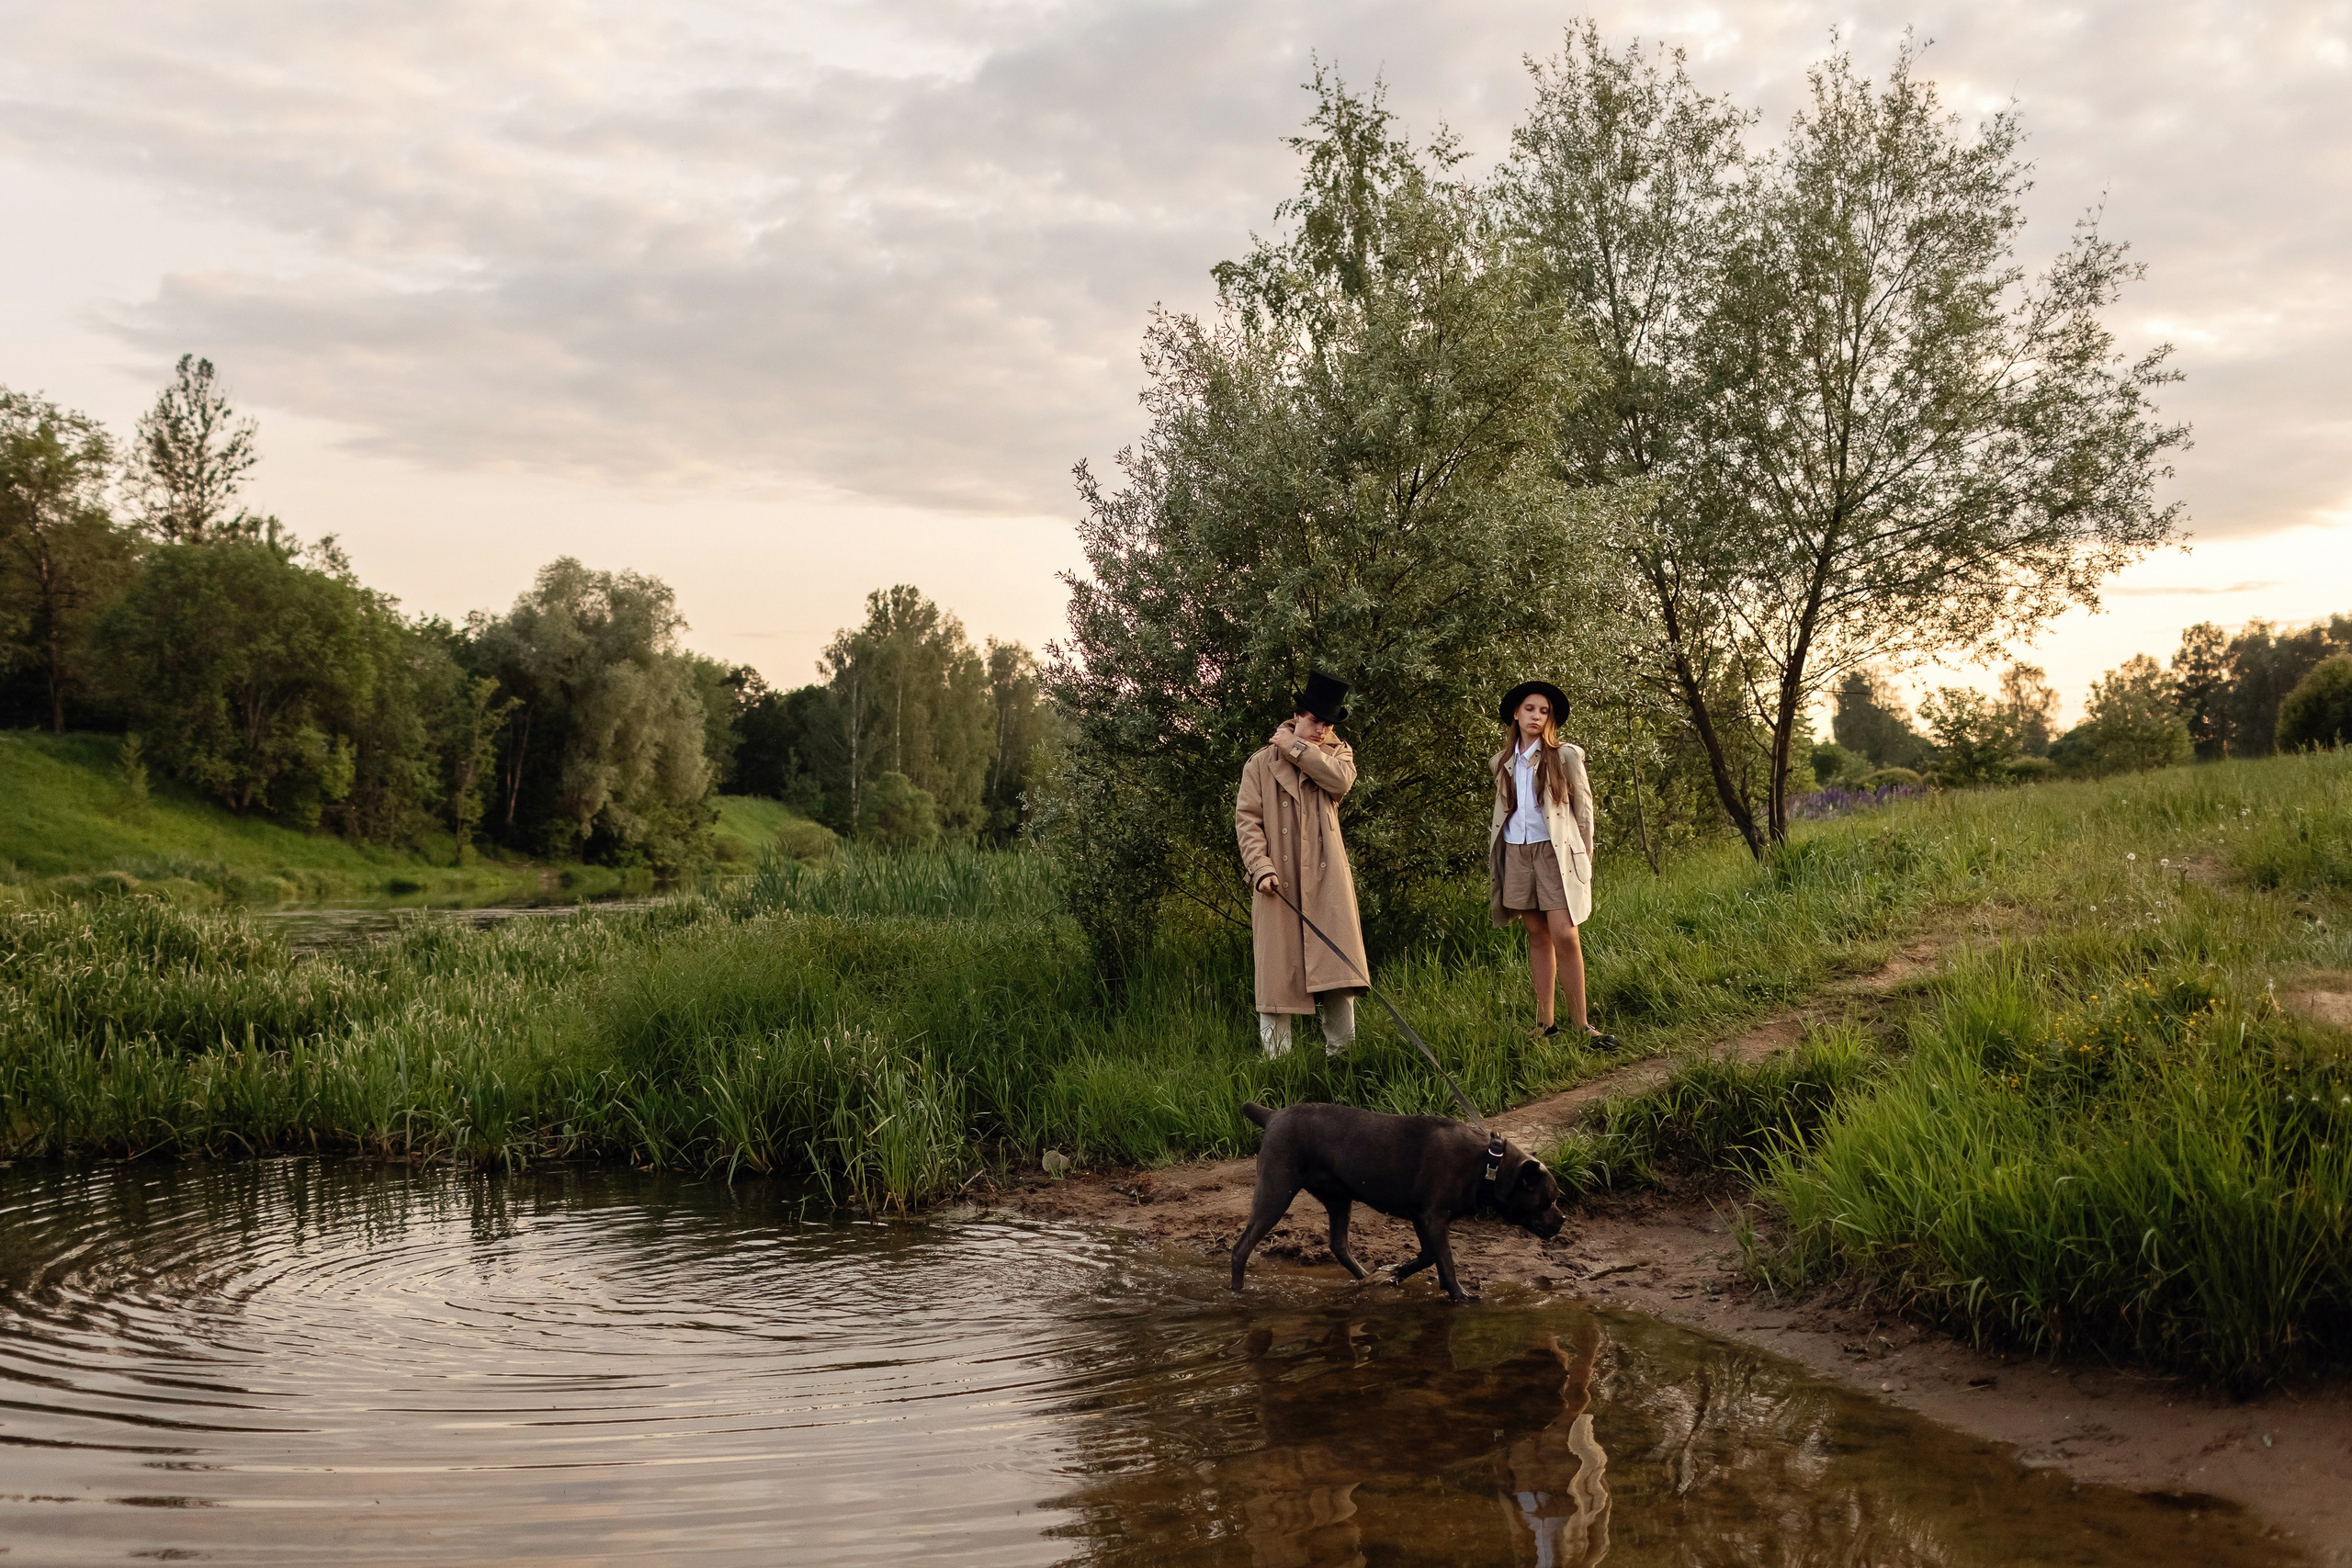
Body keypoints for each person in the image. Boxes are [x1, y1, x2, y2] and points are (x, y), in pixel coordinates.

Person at [1235, 670, 1367, 1059]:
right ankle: (1279, 1069)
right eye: (1315, 721)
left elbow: (1340, 782)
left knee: (1338, 976)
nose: (1321, 730)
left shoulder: (1339, 756)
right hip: (1279, 882)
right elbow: (1248, 821)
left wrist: (1295, 747)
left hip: (1328, 881)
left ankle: (1343, 1062)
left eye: (1328, 724)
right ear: (1297, 715)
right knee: (1277, 981)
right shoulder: (1259, 765)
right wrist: (1260, 868)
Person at [1489, 679, 1618, 1048]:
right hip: (1517, 852)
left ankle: (1581, 1024)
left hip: (1555, 854)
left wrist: (1583, 862)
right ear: (1516, 713)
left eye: (1544, 711)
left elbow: (1584, 813)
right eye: (1530, 709)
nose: (1536, 716)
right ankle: (1545, 1024)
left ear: (1550, 719)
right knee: (1537, 934)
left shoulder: (1565, 756)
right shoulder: (1501, 762)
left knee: (1565, 932)